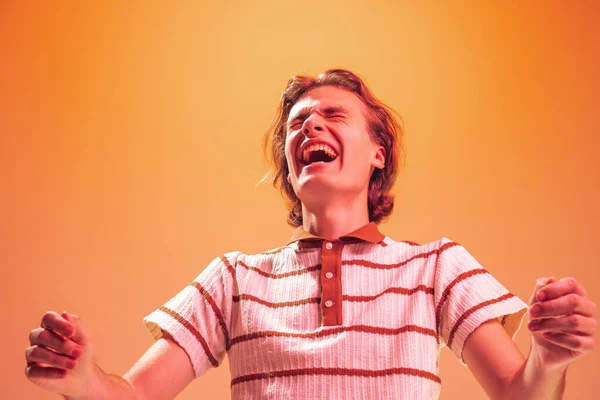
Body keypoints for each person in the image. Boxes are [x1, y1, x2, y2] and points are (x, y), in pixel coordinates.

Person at [25, 69, 596, 399]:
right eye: (298, 123)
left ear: (378, 154)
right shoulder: (234, 279)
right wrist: (82, 378)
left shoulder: (437, 266)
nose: (309, 126)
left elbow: (521, 396)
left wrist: (547, 358)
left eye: (332, 116)